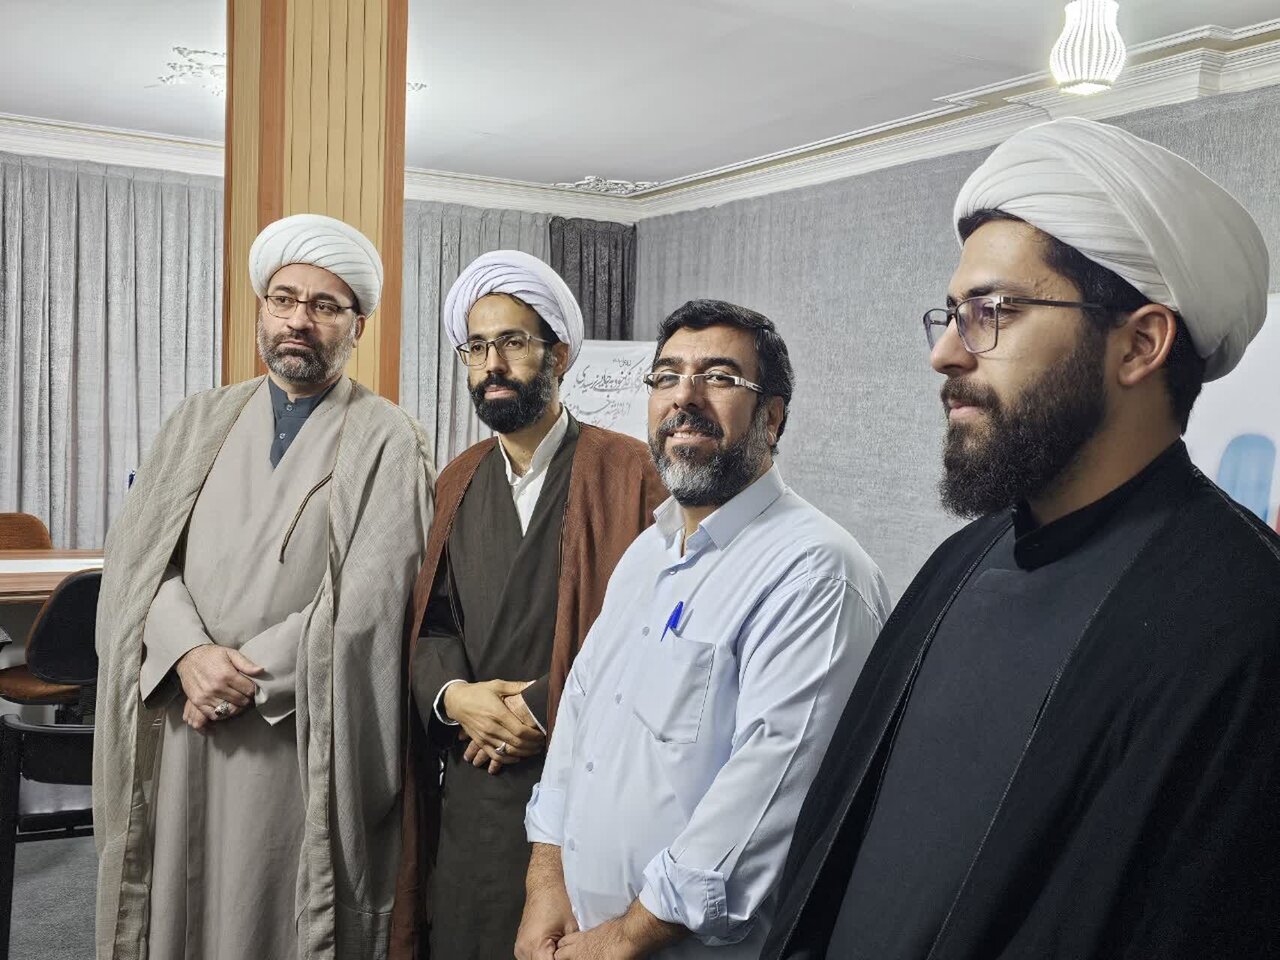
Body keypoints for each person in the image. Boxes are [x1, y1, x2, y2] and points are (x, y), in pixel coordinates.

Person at [763, 118, 1280, 960]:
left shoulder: (1243, 622)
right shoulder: (960, 563)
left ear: (1140, 344)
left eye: (991, 312)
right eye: (951, 314)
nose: (944, 354)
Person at [94, 214, 434, 960]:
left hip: (292, 724)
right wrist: (189, 656)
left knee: (268, 904)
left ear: (357, 325)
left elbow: (372, 601)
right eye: (284, 300)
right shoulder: (197, 420)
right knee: (174, 899)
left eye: (324, 306)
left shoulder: (388, 438)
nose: (298, 321)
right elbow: (141, 559)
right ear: (262, 309)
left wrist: (244, 677)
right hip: (184, 710)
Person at [517, 299, 889, 959]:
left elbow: (766, 799)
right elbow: (579, 718)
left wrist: (626, 937)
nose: (683, 397)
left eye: (718, 377)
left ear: (771, 418)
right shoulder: (648, 552)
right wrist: (546, 876)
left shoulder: (815, 575)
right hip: (580, 935)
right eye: (666, 377)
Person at [388, 251, 666, 960]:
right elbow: (432, 621)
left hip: (583, 781)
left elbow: (658, 629)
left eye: (512, 341)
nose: (493, 364)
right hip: (475, 778)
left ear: (559, 355)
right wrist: (456, 698)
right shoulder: (457, 479)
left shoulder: (630, 472)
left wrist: (539, 709)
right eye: (477, 347)